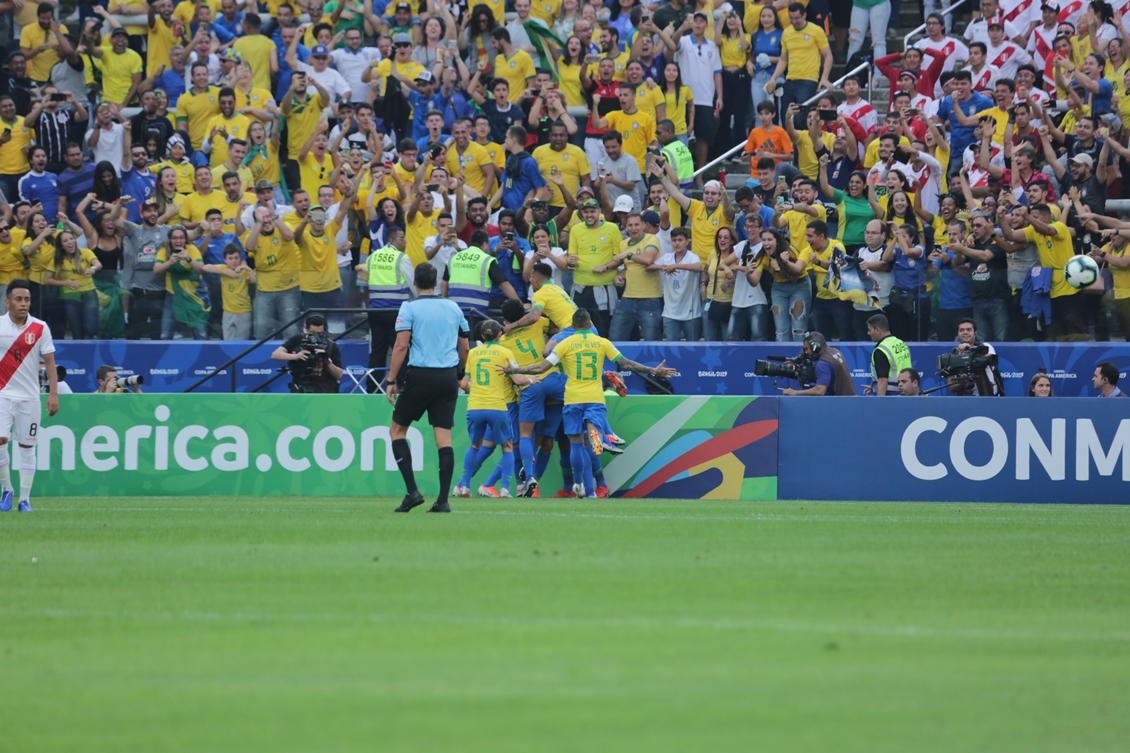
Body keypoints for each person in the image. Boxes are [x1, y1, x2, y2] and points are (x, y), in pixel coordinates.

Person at [502, 308, 675, 497]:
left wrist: (515, 370)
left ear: (573, 325)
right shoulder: (602, 342)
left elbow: (541, 367)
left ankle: (579, 484)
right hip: (594, 399)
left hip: (572, 399)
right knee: (590, 436)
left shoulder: (564, 343)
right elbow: (626, 364)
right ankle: (598, 438)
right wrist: (653, 371)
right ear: (591, 324)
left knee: (575, 446)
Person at [387, 262, 470, 514]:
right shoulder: (453, 307)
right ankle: (443, 501)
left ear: (415, 282)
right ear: (435, 283)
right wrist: (459, 374)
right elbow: (465, 347)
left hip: (421, 375)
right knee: (443, 439)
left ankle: (412, 491)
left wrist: (391, 380)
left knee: (397, 431)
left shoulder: (409, 307)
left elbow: (401, 346)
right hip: (447, 377)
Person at [0, 279, 59, 513]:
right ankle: (7, 489)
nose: (23, 304)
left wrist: (53, 394)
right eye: (18, 299)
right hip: (3, 395)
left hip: (30, 398)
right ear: (8, 302)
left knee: (26, 448)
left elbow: (51, 364)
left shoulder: (40, 327)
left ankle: (25, 499)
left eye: (27, 300)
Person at [359, 225, 415, 391]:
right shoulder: (401, 258)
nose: (405, 242)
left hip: (375, 312)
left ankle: (372, 389)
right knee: (401, 350)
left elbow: (366, 281)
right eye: (402, 238)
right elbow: (413, 284)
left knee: (377, 351)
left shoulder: (372, 257)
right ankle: (402, 387)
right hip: (397, 312)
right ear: (391, 240)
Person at [764, 3, 834, 119]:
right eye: (791, 18)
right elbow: (783, 59)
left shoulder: (816, 30)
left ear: (804, 15)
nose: (794, 21)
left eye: (797, 18)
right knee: (786, 118)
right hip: (790, 79)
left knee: (800, 120)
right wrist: (773, 78)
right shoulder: (787, 33)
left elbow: (828, 56)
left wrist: (824, 78)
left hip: (808, 80)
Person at [270, 313, 344, 393]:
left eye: (320, 334)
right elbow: (275, 355)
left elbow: (338, 375)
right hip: (300, 387)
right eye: (313, 333)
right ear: (306, 328)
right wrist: (296, 356)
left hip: (324, 390)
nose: (316, 336)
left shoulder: (331, 345)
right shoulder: (298, 339)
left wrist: (326, 360)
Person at [203, 243, 256, 340]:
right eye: (230, 258)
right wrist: (226, 272)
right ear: (225, 260)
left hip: (243, 312)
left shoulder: (244, 272)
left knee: (242, 342)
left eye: (236, 258)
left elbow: (254, 280)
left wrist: (247, 268)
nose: (234, 261)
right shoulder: (224, 269)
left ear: (240, 258)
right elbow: (205, 267)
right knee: (228, 342)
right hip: (227, 313)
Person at [780, 332, 857, 396]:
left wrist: (795, 392)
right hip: (850, 401)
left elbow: (820, 390)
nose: (806, 352)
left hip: (843, 406)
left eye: (806, 349)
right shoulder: (834, 351)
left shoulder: (823, 363)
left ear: (815, 347)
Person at [865, 312, 910, 396]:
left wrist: (880, 404)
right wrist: (874, 388)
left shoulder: (881, 350)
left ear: (877, 330)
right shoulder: (900, 343)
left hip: (891, 397)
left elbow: (883, 380)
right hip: (905, 394)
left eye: (869, 330)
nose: (868, 333)